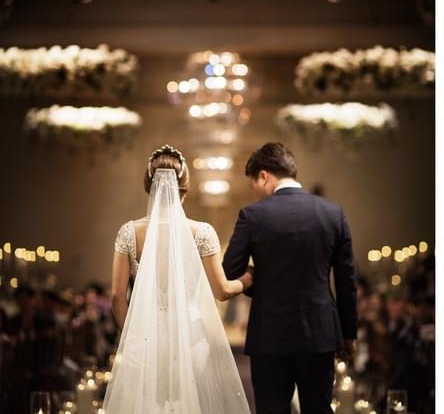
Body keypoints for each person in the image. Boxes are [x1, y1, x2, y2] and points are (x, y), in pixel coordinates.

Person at [104, 145, 253, 413]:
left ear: (149, 186)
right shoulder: (202, 232)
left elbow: (117, 297)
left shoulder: (129, 232)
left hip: (143, 341)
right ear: (184, 188)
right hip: (190, 341)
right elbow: (222, 290)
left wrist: (132, 336)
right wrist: (249, 278)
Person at [223, 142, 358, 414]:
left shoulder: (252, 215)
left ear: (264, 176)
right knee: (318, 410)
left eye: (253, 185)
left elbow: (230, 270)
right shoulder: (333, 213)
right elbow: (346, 280)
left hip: (269, 333)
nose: (255, 193)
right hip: (319, 332)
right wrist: (349, 333)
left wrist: (259, 281)